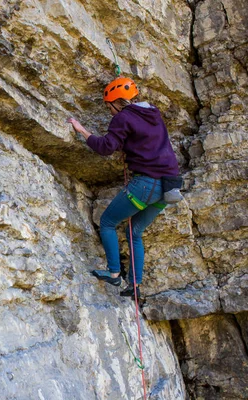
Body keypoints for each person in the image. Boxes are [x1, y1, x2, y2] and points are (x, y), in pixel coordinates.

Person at [67, 76, 179, 299]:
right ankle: (134, 285)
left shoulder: (122, 118)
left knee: (108, 222)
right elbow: (145, 139)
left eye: (108, 107)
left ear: (114, 102)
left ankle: (114, 272)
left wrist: (81, 130)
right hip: (168, 187)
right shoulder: (153, 113)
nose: (109, 111)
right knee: (134, 231)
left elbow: (106, 147)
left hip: (146, 184)